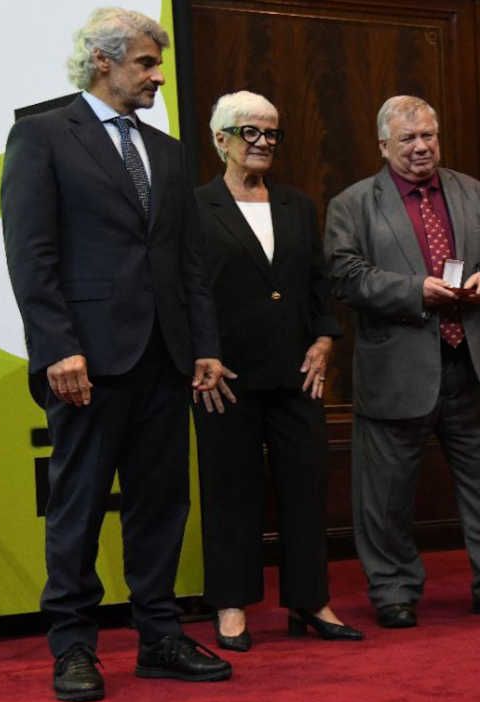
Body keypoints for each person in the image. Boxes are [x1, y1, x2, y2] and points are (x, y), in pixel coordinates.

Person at [1, 7, 231, 702]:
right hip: (88, 361)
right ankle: (72, 645)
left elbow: (189, 264)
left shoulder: (166, 151)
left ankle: (159, 636)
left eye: (158, 63)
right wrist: (56, 348)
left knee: (160, 505)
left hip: (165, 357)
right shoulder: (42, 135)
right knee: (77, 503)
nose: (158, 76)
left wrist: (206, 348)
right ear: (103, 62)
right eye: (145, 64)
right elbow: (31, 254)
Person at [325, 95, 480, 628]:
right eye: (407, 139)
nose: (421, 147)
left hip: (471, 365)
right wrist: (416, 290)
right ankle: (394, 590)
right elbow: (346, 277)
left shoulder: (475, 193)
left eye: (429, 136)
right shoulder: (353, 204)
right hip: (396, 369)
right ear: (383, 146)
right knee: (386, 496)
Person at [193, 90, 361, 651]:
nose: (264, 142)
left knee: (306, 487)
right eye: (250, 132)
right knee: (230, 491)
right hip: (224, 379)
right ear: (221, 140)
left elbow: (318, 282)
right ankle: (232, 604)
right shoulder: (195, 207)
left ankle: (310, 600)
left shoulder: (295, 205)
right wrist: (203, 351)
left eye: (272, 133)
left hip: (298, 373)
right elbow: (187, 290)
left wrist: (323, 339)